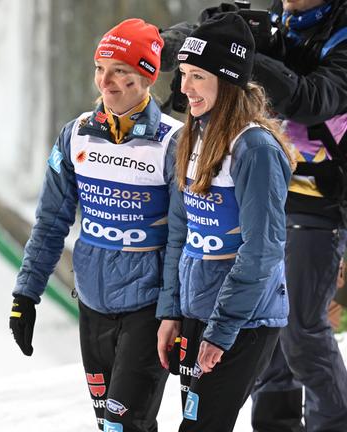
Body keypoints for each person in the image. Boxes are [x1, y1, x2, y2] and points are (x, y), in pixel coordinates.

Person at [9, 19, 182, 432]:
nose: (107, 81)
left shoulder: (173, 141)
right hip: (91, 303)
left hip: (148, 308)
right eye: (101, 68)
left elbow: (183, 236)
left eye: (121, 70)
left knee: (125, 424)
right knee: (107, 424)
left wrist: (177, 311)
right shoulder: (77, 134)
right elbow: (52, 220)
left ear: (147, 76)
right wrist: (26, 293)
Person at [155, 13, 295, 432]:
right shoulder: (189, 138)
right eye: (183, 75)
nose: (184, 88)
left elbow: (262, 250)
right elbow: (181, 232)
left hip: (244, 319)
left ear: (227, 80)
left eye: (197, 76)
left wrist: (221, 331)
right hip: (200, 307)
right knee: (195, 421)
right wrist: (171, 311)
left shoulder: (254, 148)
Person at [245, 1, 347, 430]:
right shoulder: (275, 20)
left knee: (302, 332)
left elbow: (311, 99)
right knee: (265, 332)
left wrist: (244, 55)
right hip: (269, 197)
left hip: (324, 202)